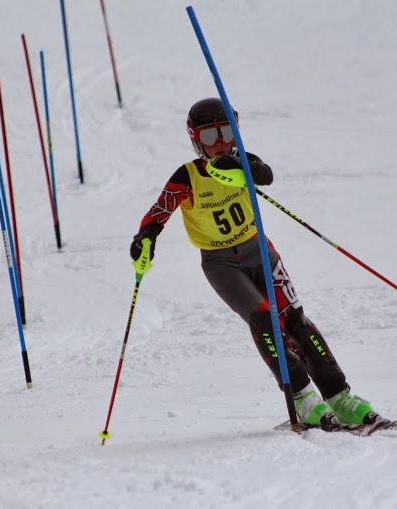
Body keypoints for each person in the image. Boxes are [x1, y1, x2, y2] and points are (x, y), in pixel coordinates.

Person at [129, 97, 379, 429]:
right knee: (264, 318)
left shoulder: (241, 161)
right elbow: (158, 213)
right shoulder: (187, 176)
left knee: (296, 321)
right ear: (194, 139)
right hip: (221, 264)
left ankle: (340, 397)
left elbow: (266, 175)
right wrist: (144, 239)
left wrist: (242, 168)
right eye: (209, 136)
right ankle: (304, 399)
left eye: (227, 132)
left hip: (259, 251)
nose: (220, 143)